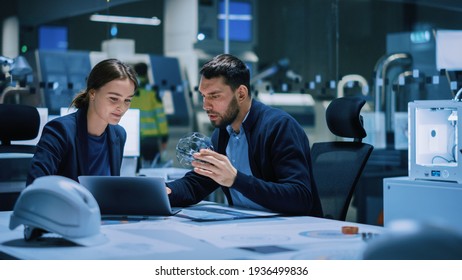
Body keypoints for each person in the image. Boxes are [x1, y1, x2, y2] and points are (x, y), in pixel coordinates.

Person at [167, 54, 323, 216]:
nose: (206, 105)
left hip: (290, 229)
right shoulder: (222, 133)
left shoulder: (279, 127)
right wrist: (165, 191)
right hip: (246, 224)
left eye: (214, 96)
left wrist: (236, 180)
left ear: (241, 94)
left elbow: (300, 198)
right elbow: (198, 183)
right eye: (204, 96)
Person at [26, 58, 138, 185]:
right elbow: (35, 187)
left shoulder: (118, 134)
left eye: (127, 100)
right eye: (113, 98)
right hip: (65, 204)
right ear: (92, 94)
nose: (121, 107)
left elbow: (111, 188)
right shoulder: (60, 131)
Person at [130, 62, 169, 169]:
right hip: (151, 139)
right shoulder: (152, 92)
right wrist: (164, 137)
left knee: (134, 169)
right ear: (147, 73)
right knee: (153, 170)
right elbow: (160, 116)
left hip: (133, 138)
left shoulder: (130, 91)